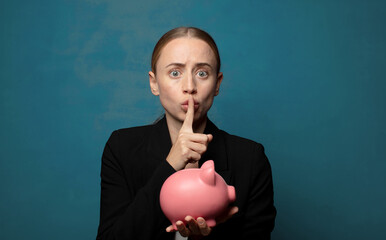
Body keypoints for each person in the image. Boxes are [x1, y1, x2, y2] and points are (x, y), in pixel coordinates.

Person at [96, 27, 276, 240]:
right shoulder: (121, 147)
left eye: (202, 73)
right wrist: (170, 165)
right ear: (154, 83)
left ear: (217, 84)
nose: (189, 87)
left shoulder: (250, 158)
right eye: (175, 72)